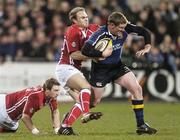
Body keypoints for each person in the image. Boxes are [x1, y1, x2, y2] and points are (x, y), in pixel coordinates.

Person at [82, 11, 157, 135]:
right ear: (111, 25)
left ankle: (141, 125)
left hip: (117, 67)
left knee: (137, 89)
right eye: (120, 28)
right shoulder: (100, 33)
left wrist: (147, 46)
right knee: (94, 102)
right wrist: (101, 54)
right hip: (100, 71)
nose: (123, 30)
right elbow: (85, 50)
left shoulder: (124, 27)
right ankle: (70, 117)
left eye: (124, 27)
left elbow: (144, 31)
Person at [55, 7, 109, 135]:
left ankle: (65, 126)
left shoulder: (92, 28)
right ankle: (86, 114)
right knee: (86, 87)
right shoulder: (72, 31)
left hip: (74, 70)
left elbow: (108, 29)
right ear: (74, 20)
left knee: (87, 101)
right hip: (65, 68)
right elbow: (74, 55)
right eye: (82, 17)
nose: (86, 19)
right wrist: (97, 55)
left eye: (86, 16)